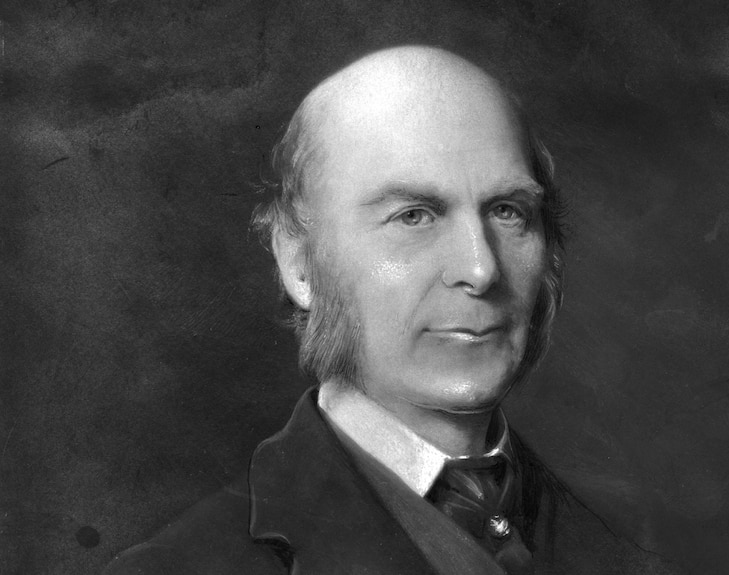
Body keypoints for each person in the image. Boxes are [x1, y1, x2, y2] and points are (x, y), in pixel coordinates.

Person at [104, 45, 680, 575]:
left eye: (507, 211)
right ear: (299, 262)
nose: (481, 269)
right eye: (414, 216)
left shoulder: (634, 535)